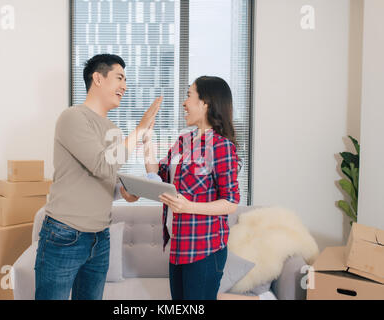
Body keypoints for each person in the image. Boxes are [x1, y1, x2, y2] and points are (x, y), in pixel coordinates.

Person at [35, 54, 161, 300]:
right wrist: (140, 129)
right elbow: (102, 165)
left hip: (100, 238)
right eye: (119, 77)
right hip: (64, 234)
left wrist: (124, 192)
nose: (124, 86)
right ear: (97, 78)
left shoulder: (113, 130)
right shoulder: (72, 117)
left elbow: (106, 180)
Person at [142, 76, 240, 300]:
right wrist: (148, 140)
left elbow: (231, 202)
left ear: (205, 103)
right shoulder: (183, 141)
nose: (184, 103)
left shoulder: (221, 146)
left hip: (204, 249)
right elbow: (158, 176)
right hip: (178, 244)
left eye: (189, 96)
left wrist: (189, 206)